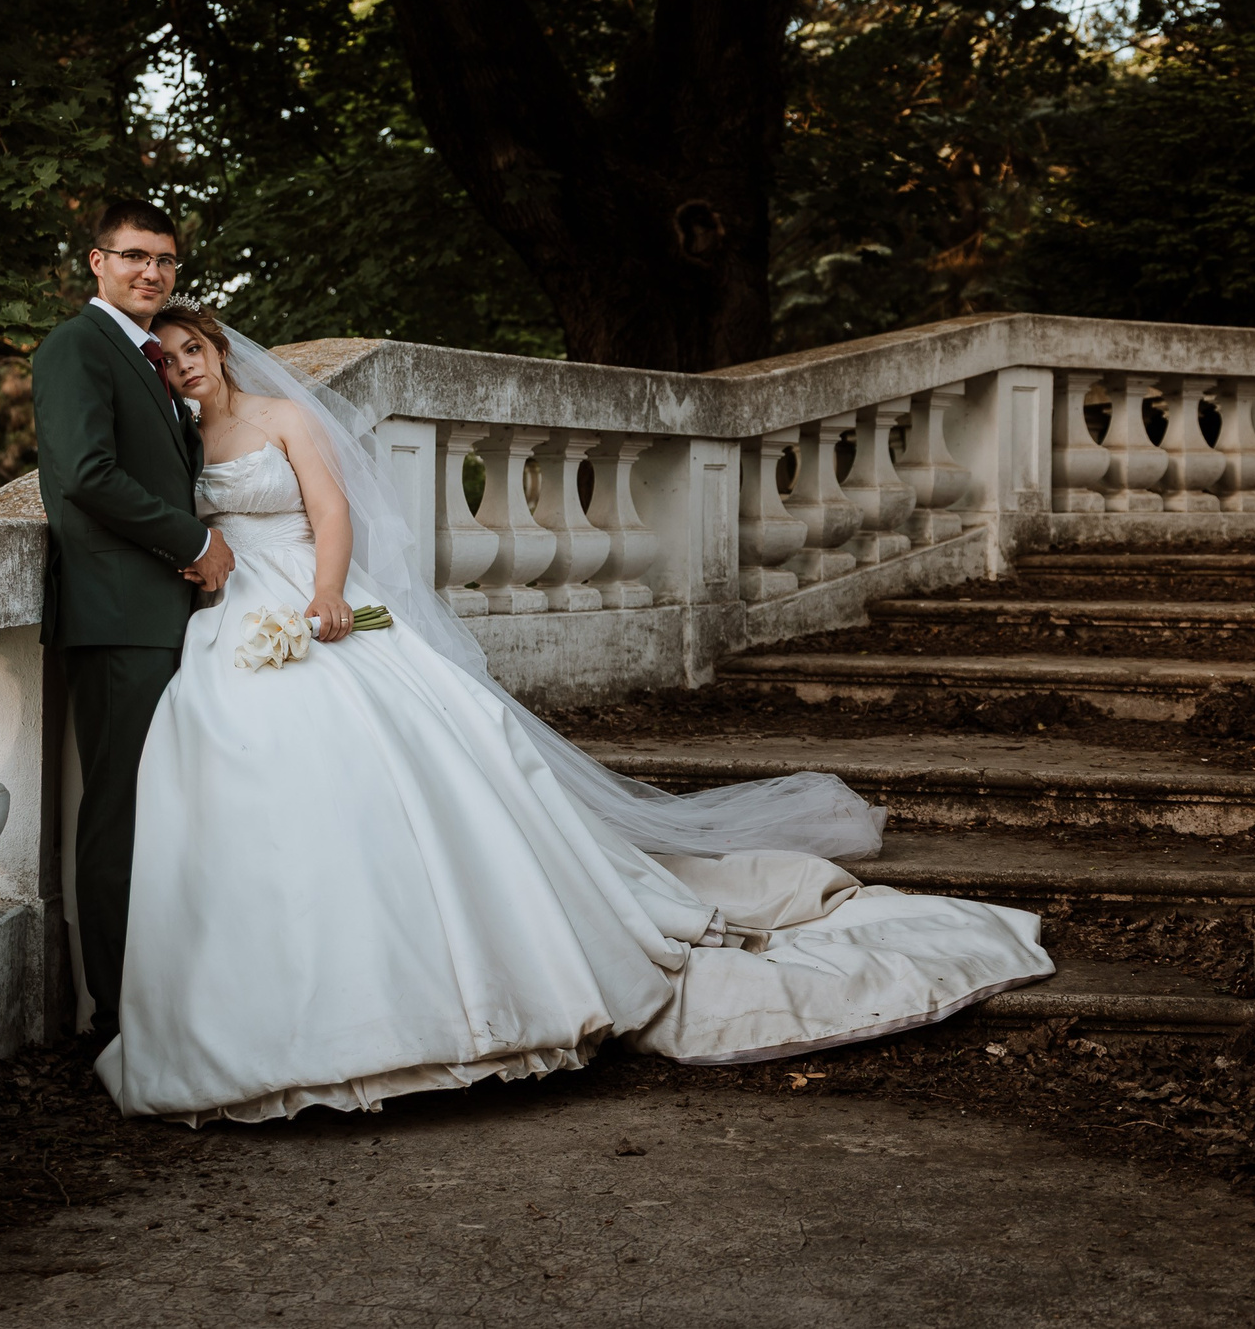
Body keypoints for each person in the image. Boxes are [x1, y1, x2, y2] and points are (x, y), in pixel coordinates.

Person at [92, 300, 1053, 1124]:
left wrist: (330, 593)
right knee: (253, 776)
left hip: (312, 595)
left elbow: (332, 510)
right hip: (234, 614)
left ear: (217, 349)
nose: (181, 366)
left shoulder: (278, 415)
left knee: (410, 767)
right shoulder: (179, 440)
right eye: (165, 357)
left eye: (192, 350)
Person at [30, 200, 234, 1051]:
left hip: (159, 614)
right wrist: (193, 539)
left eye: (166, 260)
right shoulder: (78, 346)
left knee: (160, 810)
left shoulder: (148, 357)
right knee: (117, 814)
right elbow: (85, 473)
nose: (152, 272)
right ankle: (114, 1020)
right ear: (96, 262)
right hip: (118, 616)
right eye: (135, 256)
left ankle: (158, 1000)